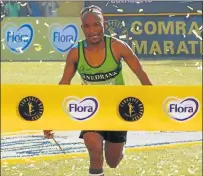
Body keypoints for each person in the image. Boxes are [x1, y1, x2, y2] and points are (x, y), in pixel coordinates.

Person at [43, 5, 152, 176]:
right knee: (94, 151)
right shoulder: (75, 53)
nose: (92, 30)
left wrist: (156, 106)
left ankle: (120, 146)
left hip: (117, 110)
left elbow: (141, 74)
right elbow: (63, 85)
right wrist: (50, 119)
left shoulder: (118, 47)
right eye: (87, 26)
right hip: (90, 109)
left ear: (104, 25)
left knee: (113, 161)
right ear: (82, 28)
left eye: (96, 25)